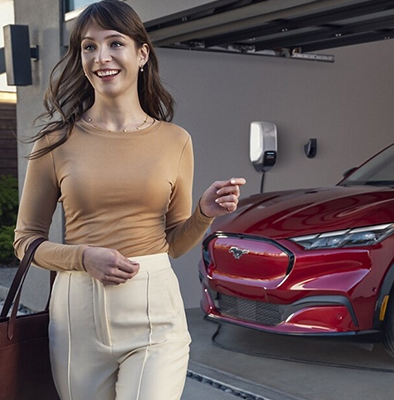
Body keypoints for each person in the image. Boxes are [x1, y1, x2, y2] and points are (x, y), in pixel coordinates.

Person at [13, 1, 246, 398]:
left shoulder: (175, 141)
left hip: (154, 311)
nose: (101, 57)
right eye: (89, 47)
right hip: (77, 314)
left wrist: (204, 213)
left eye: (115, 43)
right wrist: (83, 257)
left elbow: (174, 244)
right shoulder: (56, 142)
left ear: (142, 54)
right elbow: (25, 242)